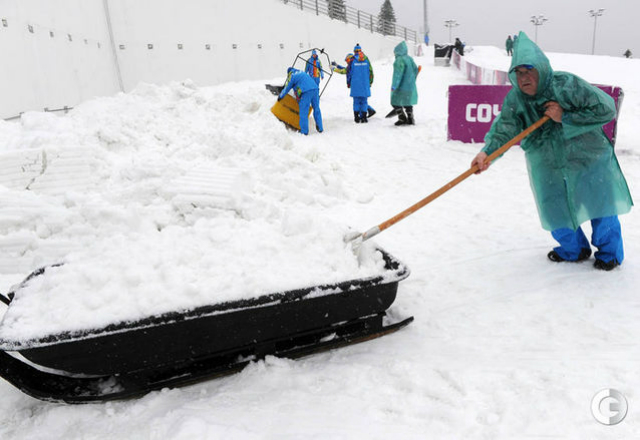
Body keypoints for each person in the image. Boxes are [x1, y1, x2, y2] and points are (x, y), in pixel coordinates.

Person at [470, 31, 633, 271]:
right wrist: (487, 153)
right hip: (546, 161)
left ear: (541, 69)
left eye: (529, 71)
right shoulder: (516, 100)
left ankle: (609, 253)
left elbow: (605, 109)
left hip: (588, 156)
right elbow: (504, 129)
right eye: (519, 73)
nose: (524, 78)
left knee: (600, 203)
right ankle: (573, 249)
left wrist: (564, 116)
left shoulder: (567, 85)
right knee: (554, 205)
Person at [277, 67, 323, 135]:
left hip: (306, 91)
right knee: (316, 109)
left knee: (303, 111)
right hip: (315, 89)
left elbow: (287, 88)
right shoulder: (302, 73)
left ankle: (304, 132)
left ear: (289, 73)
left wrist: (280, 96)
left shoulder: (293, 76)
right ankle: (320, 128)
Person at [331, 53, 376, 118]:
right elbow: (346, 69)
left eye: (347, 60)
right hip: (363, 85)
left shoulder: (353, 64)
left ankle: (365, 113)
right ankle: (368, 111)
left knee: (358, 101)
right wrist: (337, 65)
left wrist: (333, 69)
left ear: (350, 59)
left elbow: (344, 71)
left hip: (358, 85)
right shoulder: (355, 63)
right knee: (362, 100)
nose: (347, 62)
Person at [389, 41, 419, 126]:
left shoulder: (399, 60)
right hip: (410, 86)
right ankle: (410, 118)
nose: (394, 54)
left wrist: (394, 86)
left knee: (394, 102)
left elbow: (398, 75)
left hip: (401, 87)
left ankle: (402, 118)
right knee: (408, 102)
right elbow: (416, 70)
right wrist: (412, 79)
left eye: (395, 52)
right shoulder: (409, 58)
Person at [347, 43, 374, 123]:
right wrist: (370, 82)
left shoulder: (352, 60)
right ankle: (364, 118)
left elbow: (349, 72)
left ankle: (356, 117)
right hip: (365, 85)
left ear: (354, 51)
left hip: (355, 85)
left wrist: (348, 82)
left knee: (356, 102)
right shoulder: (366, 59)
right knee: (364, 102)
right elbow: (371, 71)